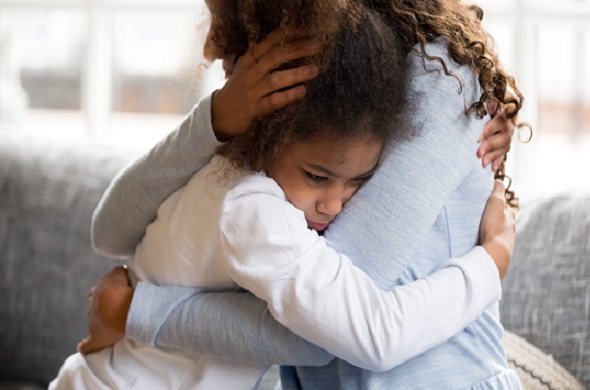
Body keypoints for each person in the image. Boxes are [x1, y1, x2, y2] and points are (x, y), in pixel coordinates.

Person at [50, 4, 515, 389]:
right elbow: (110, 230)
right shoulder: (298, 65)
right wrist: (215, 119)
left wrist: (135, 310)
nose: (333, 202)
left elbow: (340, 329)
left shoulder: (440, 75)